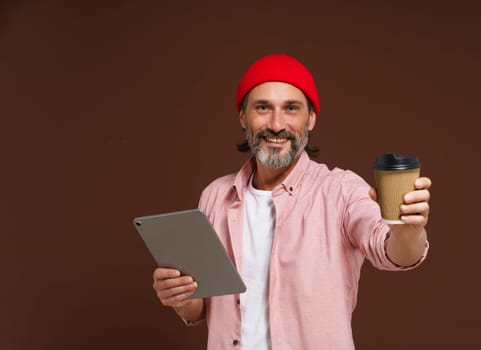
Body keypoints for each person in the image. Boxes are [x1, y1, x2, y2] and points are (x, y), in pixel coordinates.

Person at [152, 53, 431, 349]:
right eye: (262, 108)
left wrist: (407, 231)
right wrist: (178, 295)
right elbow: (200, 308)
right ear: (243, 116)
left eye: (291, 108)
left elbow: (394, 252)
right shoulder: (215, 196)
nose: (276, 124)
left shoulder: (341, 190)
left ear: (310, 118)